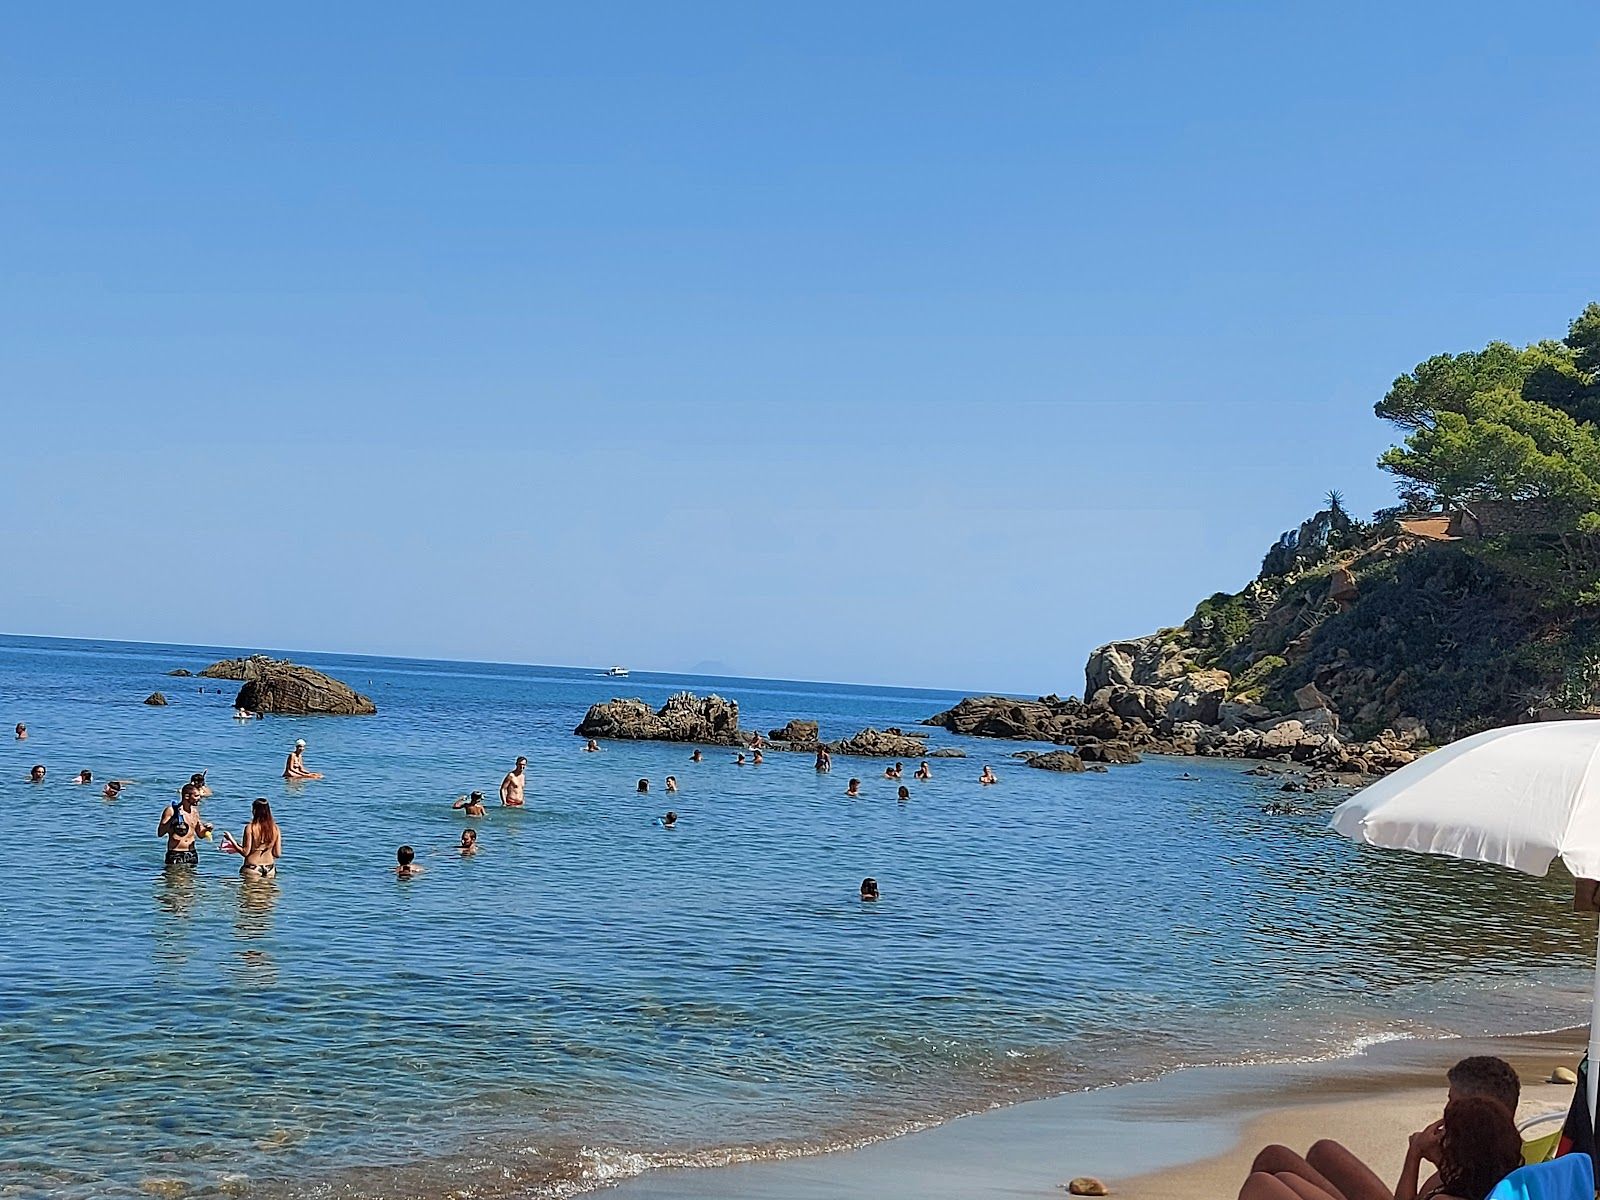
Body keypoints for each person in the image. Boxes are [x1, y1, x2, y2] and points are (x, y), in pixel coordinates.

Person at [1244, 1056, 1522, 1200]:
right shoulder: (1496, 1163)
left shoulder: (1475, 1174)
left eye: (1452, 1104)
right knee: (1314, 1153)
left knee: (1266, 1179)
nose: (1446, 1113)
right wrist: (1440, 1158)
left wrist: (1415, 1155)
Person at [159, 784, 212, 868]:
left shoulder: (195, 812)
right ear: (187, 796)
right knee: (175, 880)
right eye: (196, 796)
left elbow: (200, 835)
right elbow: (160, 833)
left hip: (192, 853)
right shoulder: (171, 810)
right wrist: (173, 818)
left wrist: (206, 829)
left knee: (191, 880)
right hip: (175, 853)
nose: (199, 798)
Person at [236, 798, 281, 880]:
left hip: (252, 868)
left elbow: (245, 852)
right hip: (270, 868)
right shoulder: (275, 828)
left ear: (254, 811)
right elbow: (277, 854)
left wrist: (232, 841)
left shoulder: (250, 828)